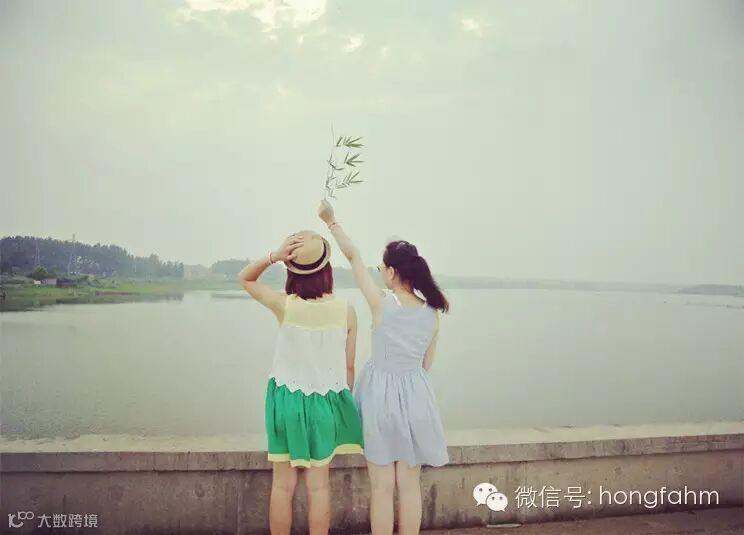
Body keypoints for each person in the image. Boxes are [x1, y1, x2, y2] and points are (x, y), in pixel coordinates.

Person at [317, 199, 450, 535]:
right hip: (416, 400)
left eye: (382, 268)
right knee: (409, 487)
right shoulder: (432, 313)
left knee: (381, 488)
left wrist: (331, 221)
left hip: (380, 401)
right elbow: (425, 364)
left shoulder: (381, 303)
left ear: (391, 272)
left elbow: (353, 257)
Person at [238, 230, 364, 535]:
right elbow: (349, 368)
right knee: (318, 487)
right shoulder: (346, 311)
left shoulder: (285, 306)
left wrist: (274, 255)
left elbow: (245, 278)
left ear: (291, 271)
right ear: (327, 269)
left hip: (286, 403)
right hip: (325, 404)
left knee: (282, 486)